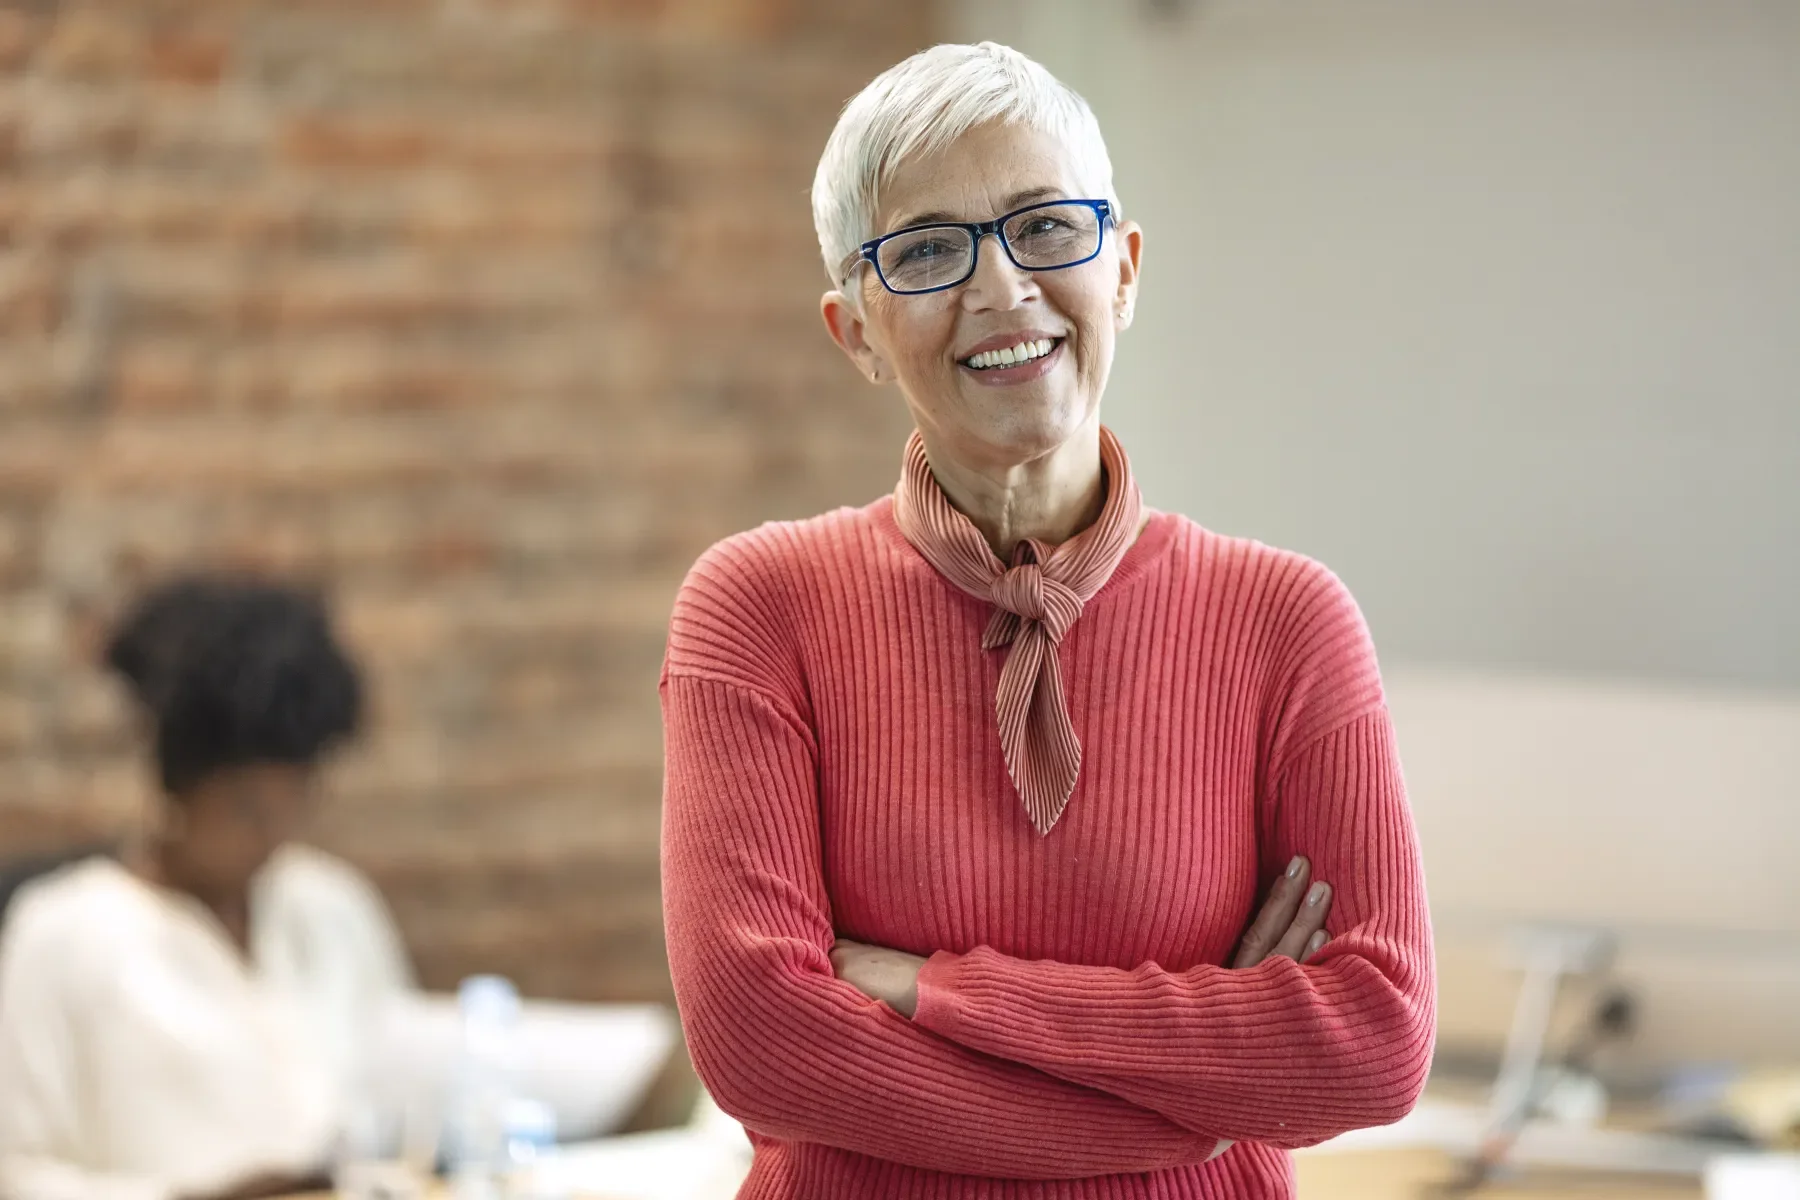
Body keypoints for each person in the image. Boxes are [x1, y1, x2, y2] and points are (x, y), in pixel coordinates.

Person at [659, 41, 1436, 1199]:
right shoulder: (757, 611)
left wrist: (933, 991)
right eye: (926, 250)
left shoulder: (1286, 622)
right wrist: (1199, 1103)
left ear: (1122, 269)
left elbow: (1374, 1040)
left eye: (1047, 228)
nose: (1001, 288)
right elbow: (763, 1047)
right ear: (856, 332)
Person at [0, 576, 413, 1200]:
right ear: (179, 789)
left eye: (293, 804)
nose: (271, 837)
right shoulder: (65, 936)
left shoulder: (330, 906)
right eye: (245, 810)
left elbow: (400, 1097)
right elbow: (17, 1175)